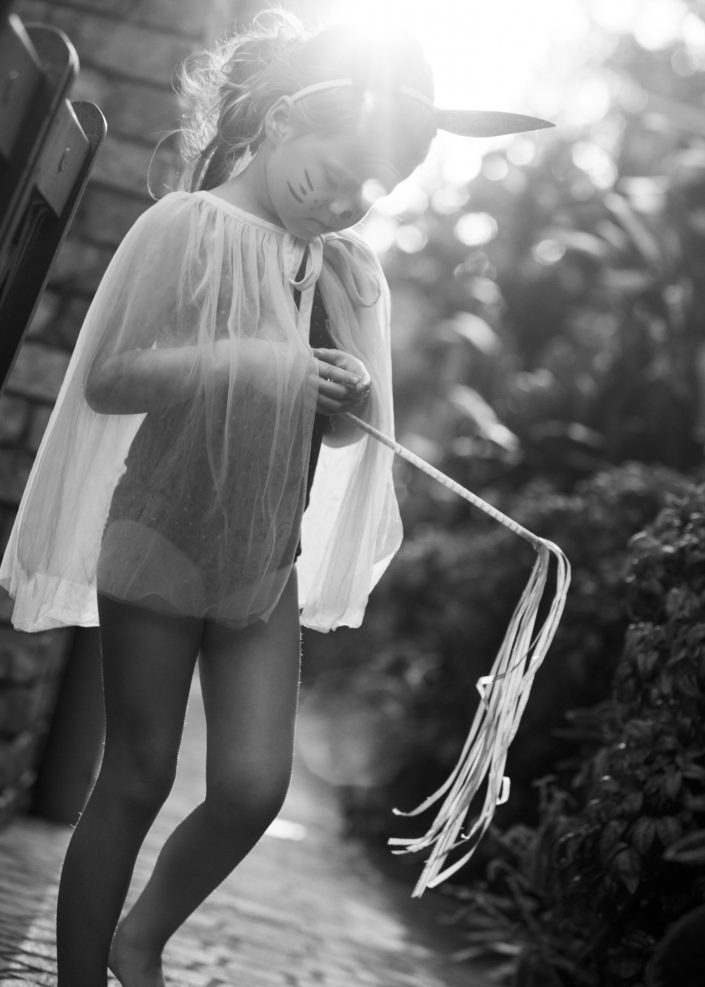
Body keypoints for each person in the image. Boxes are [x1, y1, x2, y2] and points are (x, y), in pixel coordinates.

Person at [0, 9, 551, 986]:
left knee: (254, 786)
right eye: (330, 170)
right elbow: (116, 378)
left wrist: (345, 392)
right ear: (288, 119)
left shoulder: (337, 265)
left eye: (363, 195)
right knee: (137, 774)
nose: (337, 202)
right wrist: (271, 366)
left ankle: (142, 938)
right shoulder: (190, 227)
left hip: (265, 560)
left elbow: (332, 429)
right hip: (163, 531)